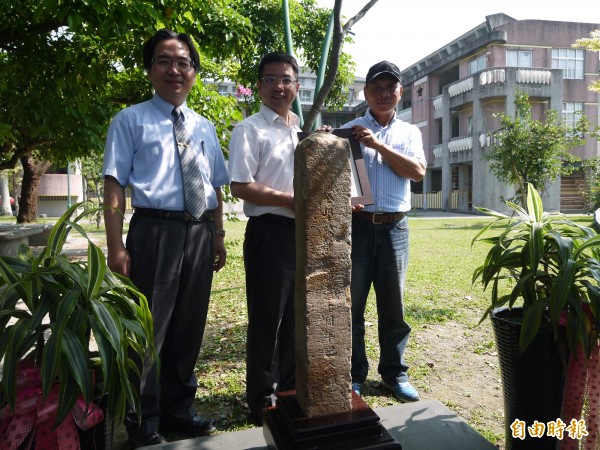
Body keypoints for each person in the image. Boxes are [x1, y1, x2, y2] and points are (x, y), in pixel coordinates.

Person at [102, 29, 228, 447]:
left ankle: (179, 410)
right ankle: (144, 421)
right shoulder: (130, 120)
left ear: (193, 72)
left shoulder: (205, 126)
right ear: (150, 68)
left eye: (184, 63)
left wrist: (219, 234)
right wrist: (116, 244)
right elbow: (115, 184)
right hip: (153, 232)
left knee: (189, 328)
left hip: (199, 233)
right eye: (164, 61)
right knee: (148, 330)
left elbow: (215, 186)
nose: (175, 70)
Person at [341, 60, 426, 402]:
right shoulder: (349, 130)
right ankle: (353, 375)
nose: (383, 93)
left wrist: (378, 145)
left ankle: (395, 374)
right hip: (358, 230)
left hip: (395, 229)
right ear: (365, 92)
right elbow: (338, 180)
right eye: (376, 87)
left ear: (399, 93)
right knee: (353, 307)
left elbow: (417, 173)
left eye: (390, 87)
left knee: (394, 308)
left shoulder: (410, 132)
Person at [228, 51, 300, 425]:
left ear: (296, 85)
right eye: (270, 79)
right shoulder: (250, 129)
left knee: (294, 320)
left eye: (285, 79)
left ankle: (287, 392)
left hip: (303, 235)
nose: (278, 87)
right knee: (266, 321)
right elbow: (241, 185)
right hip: (268, 235)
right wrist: (291, 200)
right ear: (259, 86)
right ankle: (261, 398)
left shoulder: (301, 131)